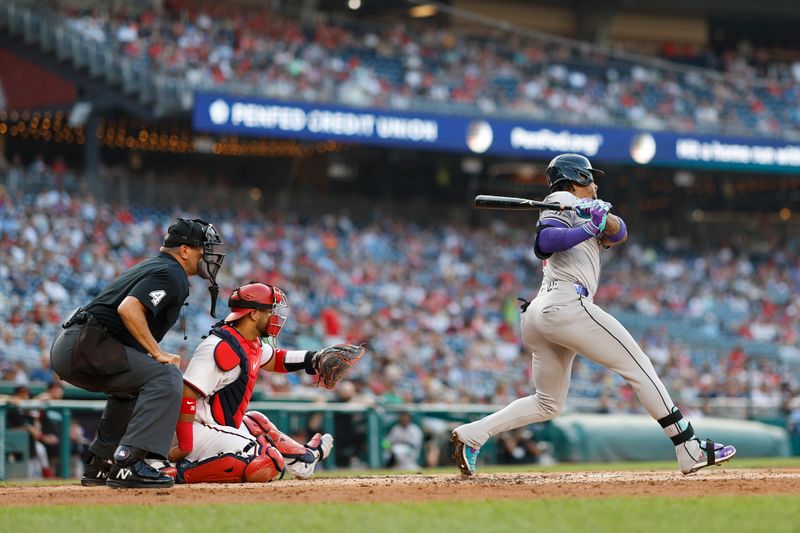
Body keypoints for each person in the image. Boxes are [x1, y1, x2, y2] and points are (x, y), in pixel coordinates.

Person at [451, 154, 736, 476]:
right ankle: (688, 446)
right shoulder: (560, 200)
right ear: (577, 178)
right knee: (639, 367)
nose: (596, 184)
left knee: (547, 403)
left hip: (541, 313)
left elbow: (619, 233)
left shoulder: (581, 208)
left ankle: (472, 434)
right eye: (590, 178)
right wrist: (589, 224)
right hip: (565, 304)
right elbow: (544, 243)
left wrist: (602, 217)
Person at [50, 217, 225, 488]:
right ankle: (130, 462)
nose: (210, 256)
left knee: (134, 387)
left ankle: (102, 464)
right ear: (185, 250)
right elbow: (128, 308)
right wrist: (157, 353)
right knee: (166, 377)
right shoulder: (172, 273)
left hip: (76, 344)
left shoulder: (159, 266)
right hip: (88, 344)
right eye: (205, 248)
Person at [166, 282, 334, 483]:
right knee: (267, 461)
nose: (274, 317)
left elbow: (276, 359)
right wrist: (184, 445)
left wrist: (315, 359)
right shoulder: (219, 347)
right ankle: (176, 472)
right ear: (254, 314)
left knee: (256, 421)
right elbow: (187, 393)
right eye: (269, 311)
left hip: (214, 426)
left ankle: (303, 460)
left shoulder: (247, 341)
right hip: (194, 429)